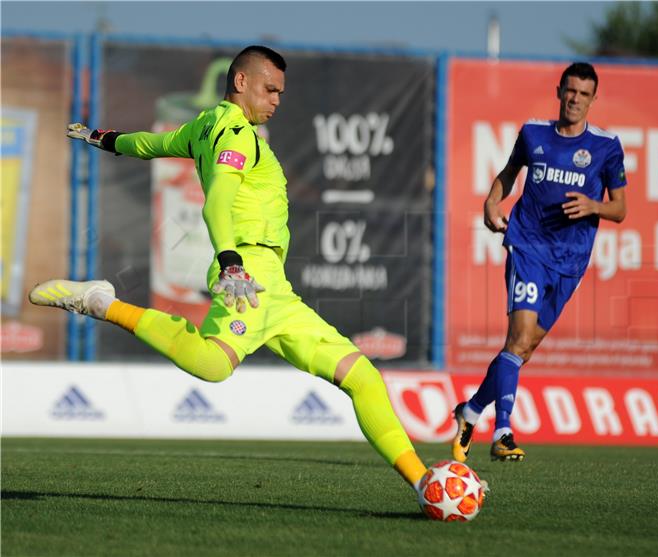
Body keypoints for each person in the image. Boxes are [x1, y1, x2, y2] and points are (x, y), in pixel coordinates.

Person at [29, 45, 429, 491]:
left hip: (276, 289)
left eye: (281, 92)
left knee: (362, 377)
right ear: (241, 82)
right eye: (270, 89)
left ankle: (423, 483)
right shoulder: (235, 133)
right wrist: (231, 262)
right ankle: (101, 302)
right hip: (249, 271)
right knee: (212, 365)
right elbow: (218, 198)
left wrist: (102, 138)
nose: (277, 100)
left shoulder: (205, 126)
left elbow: (150, 145)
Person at [451, 62, 627, 462]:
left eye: (584, 94)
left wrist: (593, 205)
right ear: (558, 91)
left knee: (524, 348)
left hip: (571, 261)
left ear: (593, 99)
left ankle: (471, 410)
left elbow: (619, 210)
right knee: (518, 338)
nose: (575, 99)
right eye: (570, 91)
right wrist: (491, 202)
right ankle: (503, 431)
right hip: (527, 245)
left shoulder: (606, 146)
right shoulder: (534, 134)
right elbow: (509, 174)